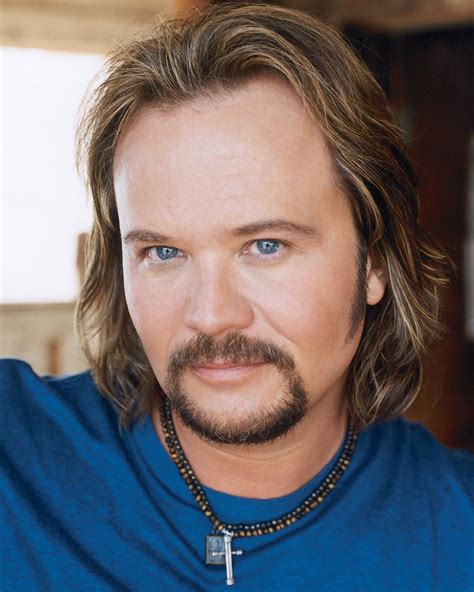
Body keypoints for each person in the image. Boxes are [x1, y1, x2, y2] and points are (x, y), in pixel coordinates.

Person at [1, 3, 473, 591]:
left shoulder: (458, 531)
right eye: (163, 252)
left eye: (265, 246)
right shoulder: (15, 461)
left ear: (374, 259)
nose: (211, 315)